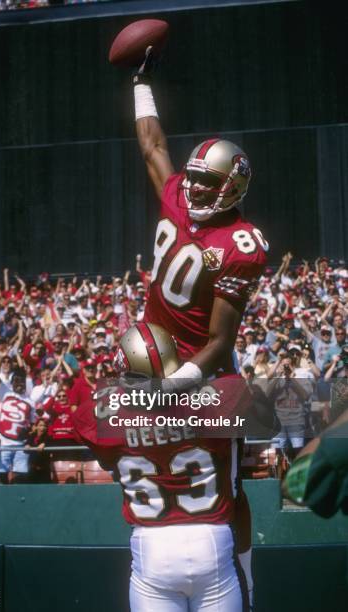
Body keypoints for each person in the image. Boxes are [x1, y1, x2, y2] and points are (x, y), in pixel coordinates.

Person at [127, 48, 270, 607]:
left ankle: (244, 577)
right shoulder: (179, 197)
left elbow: (220, 342)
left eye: (208, 185)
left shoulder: (240, 245)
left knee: (228, 488)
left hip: (202, 371)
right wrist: (141, 85)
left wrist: (179, 382)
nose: (193, 191)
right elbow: (153, 144)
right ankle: (155, 569)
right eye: (194, 180)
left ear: (232, 189)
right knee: (151, 473)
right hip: (154, 357)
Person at [73, 324, 256, 612]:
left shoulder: (100, 411)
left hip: (152, 546)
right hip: (213, 540)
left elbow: (108, 459)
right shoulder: (215, 400)